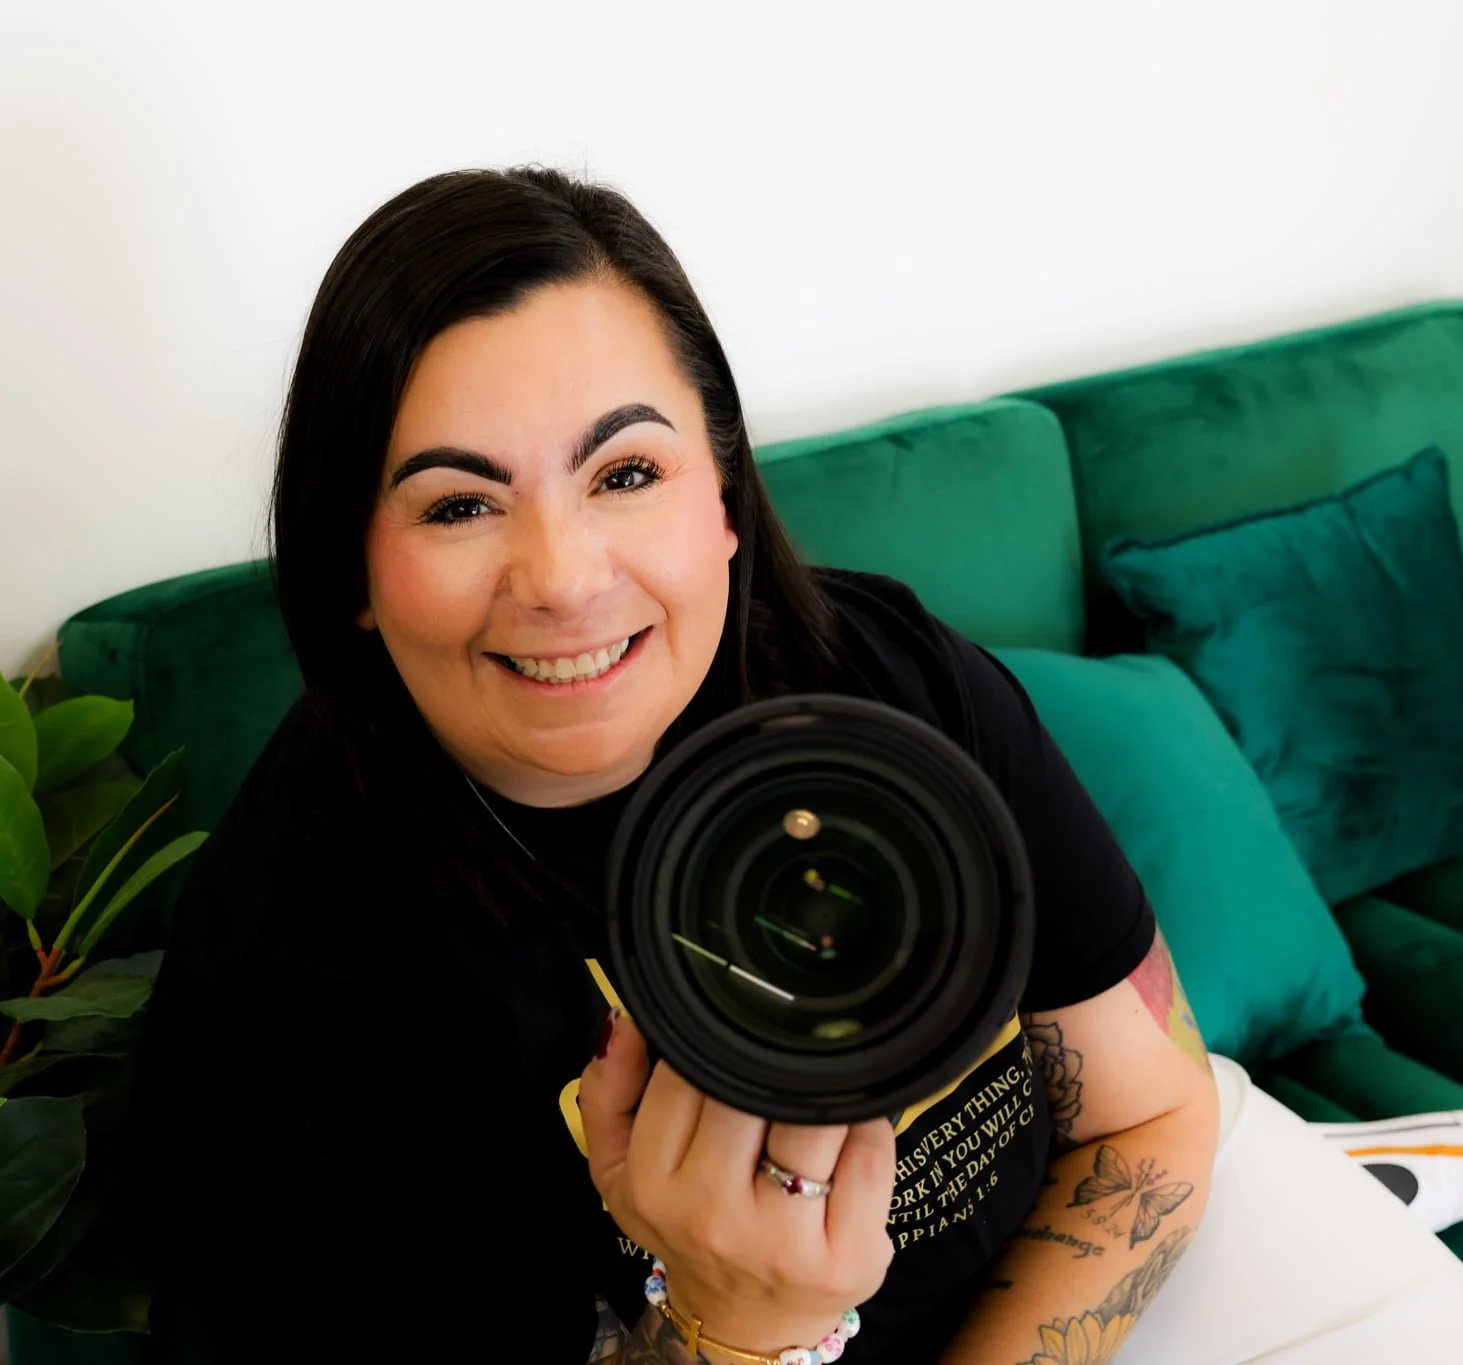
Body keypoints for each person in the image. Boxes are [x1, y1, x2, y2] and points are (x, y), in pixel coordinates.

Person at [142, 166, 1223, 1363]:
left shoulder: (886, 675)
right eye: (456, 505)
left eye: (625, 474)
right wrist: (742, 1332)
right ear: (351, 571)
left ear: (721, 496)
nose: (559, 578)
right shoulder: (281, 982)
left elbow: (1152, 1116)